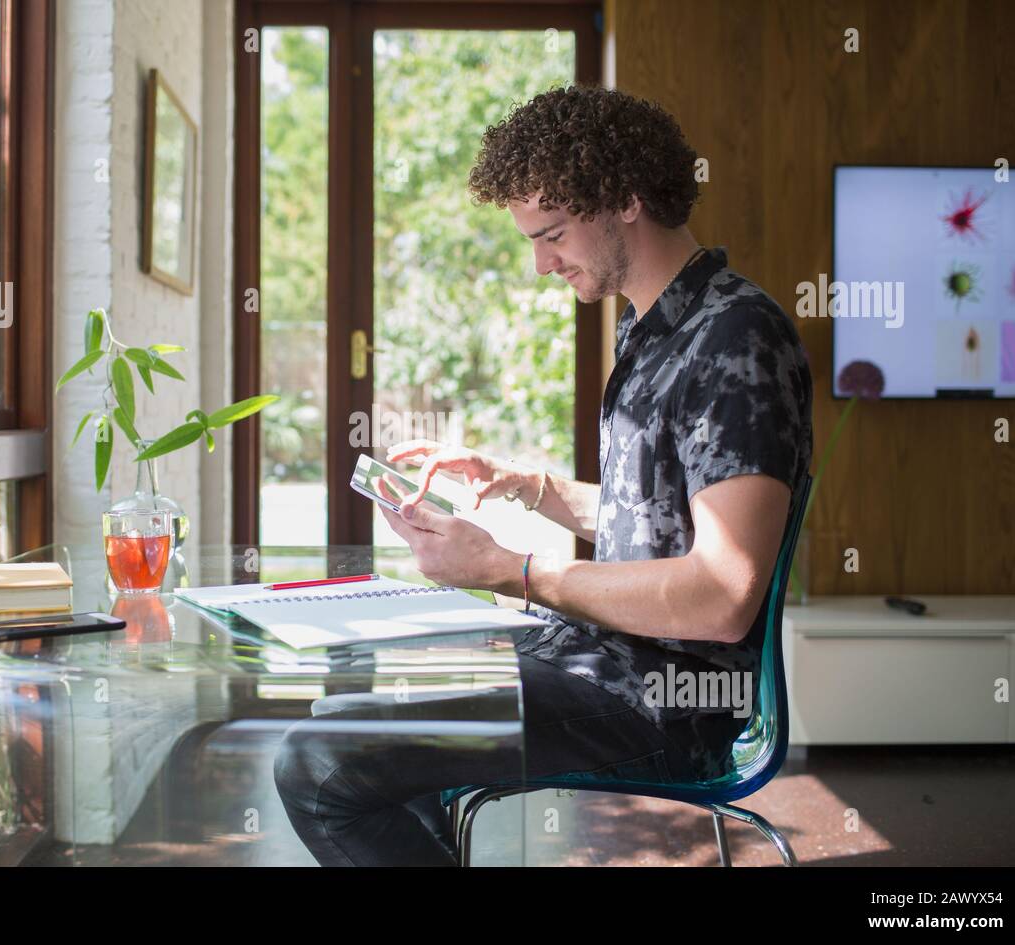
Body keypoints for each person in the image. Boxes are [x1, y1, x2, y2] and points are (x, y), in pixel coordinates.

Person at [274, 85, 813, 866]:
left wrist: (510, 571)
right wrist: (525, 483)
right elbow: (659, 520)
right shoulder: (654, 326)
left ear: (626, 200)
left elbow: (722, 596)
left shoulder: (737, 339)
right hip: (600, 660)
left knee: (321, 764)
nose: (540, 264)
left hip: (661, 704)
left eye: (553, 234)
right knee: (361, 686)